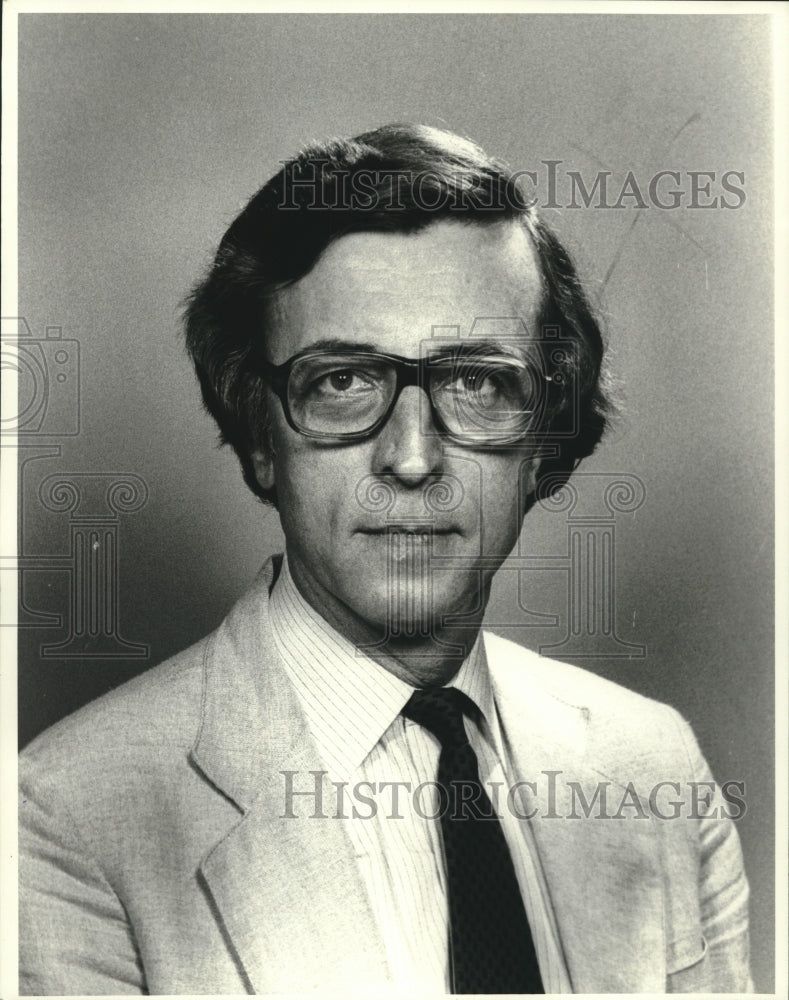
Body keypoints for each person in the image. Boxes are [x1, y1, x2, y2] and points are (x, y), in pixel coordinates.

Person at [19, 123, 751, 995]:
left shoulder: (651, 765)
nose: (411, 458)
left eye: (477, 383)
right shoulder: (68, 817)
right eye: (342, 381)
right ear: (260, 432)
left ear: (540, 442)